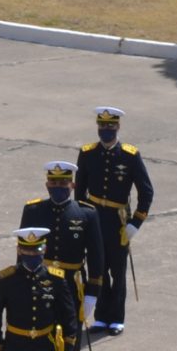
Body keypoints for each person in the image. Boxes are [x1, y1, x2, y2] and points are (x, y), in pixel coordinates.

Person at [20, 161, 104, 351]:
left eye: (63, 183)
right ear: (47, 184)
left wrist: (92, 294)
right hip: (41, 281)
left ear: (73, 185)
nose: (58, 188)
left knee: (70, 341)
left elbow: (97, 257)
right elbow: (23, 251)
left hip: (70, 285)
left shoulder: (86, 213)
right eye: (53, 183)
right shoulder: (33, 210)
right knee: (41, 341)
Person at [74, 107, 152, 335]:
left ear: (118, 127)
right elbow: (79, 193)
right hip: (94, 218)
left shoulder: (129, 155)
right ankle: (101, 316)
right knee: (98, 270)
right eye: (102, 126)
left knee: (117, 272)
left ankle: (117, 317)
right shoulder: (87, 153)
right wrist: (81, 221)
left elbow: (146, 192)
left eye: (110, 126)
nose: (106, 130)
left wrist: (135, 223)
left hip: (118, 223)